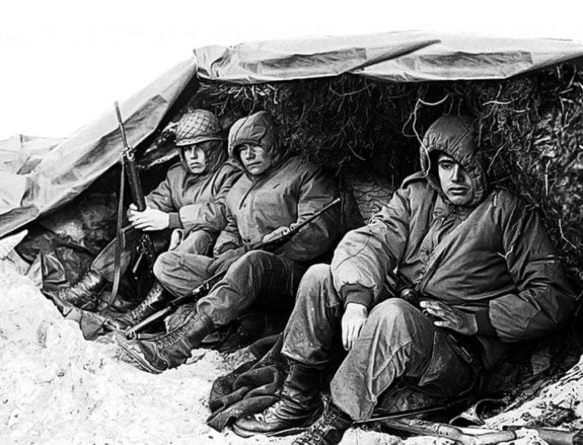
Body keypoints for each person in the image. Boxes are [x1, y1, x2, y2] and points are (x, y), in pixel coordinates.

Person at [231, 115, 578, 445]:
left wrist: (478, 320)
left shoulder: (507, 212)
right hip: (403, 315)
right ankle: (298, 400)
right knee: (320, 277)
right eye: (446, 166)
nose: (456, 178)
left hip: (455, 353)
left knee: (393, 313)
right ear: (433, 166)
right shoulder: (418, 195)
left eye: (468, 167)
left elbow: (552, 296)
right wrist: (356, 299)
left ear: (485, 165)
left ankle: (333, 423)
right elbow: (372, 240)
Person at [116, 110, 344, 373]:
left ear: (273, 143)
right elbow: (230, 224)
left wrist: (259, 247)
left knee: (253, 263)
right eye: (242, 149)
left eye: (256, 145)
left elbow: (316, 234)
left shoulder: (305, 173)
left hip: (290, 274)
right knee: (168, 264)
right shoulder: (241, 184)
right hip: (241, 266)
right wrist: (226, 250)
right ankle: (233, 319)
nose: (249, 155)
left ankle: (176, 347)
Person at [54, 109, 242, 317]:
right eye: (187, 149)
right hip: (177, 238)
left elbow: (222, 213)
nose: (193, 156)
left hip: (209, 249)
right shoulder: (177, 173)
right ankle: (89, 286)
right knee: (133, 231)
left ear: (215, 147)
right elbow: (160, 198)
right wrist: (142, 211)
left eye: (201, 147)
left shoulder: (231, 173)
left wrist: (170, 220)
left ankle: (149, 308)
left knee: (199, 235)